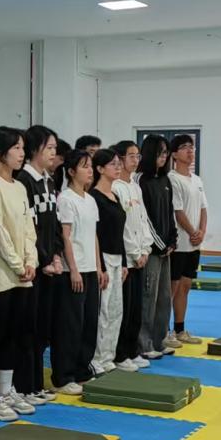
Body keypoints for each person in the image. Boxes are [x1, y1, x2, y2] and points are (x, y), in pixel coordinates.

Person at [0, 127, 40, 420]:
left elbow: (28, 228)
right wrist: (17, 264)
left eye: (23, 148)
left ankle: (6, 390)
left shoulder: (20, 187)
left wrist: (31, 261)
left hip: (21, 274)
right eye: (16, 148)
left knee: (13, 334)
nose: (21, 154)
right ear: (1, 153)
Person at [15, 125, 63, 401]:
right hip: (31, 266)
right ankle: (24, 387)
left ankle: (36, 384)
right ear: (35, 149)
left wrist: (55, 254)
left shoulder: (49, 180)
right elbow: (27, 227)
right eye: (50, 148)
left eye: (55, 148)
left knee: (43, 328)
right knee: (27, 329)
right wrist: (42, 259)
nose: (54, 153)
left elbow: (53, 223)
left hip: (48, 265)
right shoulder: (24, 180)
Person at [51, 150, 101, 394]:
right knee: (70, 325)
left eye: (91, 166)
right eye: (84, 166)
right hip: (73, 270)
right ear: (71, 171)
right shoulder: (66, 199)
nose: (90, 170)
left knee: (89, 322)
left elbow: (94, 236)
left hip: (90, 269)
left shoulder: (90, 200)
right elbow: (66, 237)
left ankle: (82, 370)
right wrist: (73, 270)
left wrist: (99, 267)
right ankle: (63, 376)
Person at [112, 140, 153, 369]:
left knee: (137, 308)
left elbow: (143, 220)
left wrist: (145, 248)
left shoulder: (136, 187)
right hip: (127, 258)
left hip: (140, 256)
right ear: (120, 158)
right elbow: (123, 227)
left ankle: (132, 349)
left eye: (138, 156)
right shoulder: (116, 187)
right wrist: (134, 253)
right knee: (125, 309)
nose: (135, 160)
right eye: (131, 156)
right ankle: (120, 354)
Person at [89, 148, 129, 374]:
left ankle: (108, 356)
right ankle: (96, 358)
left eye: (118, 163)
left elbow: (119, 232)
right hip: (102, 257)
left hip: (117, 257)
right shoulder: (94, 197)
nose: (118, 167)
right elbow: (95, 235)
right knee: (102, 311)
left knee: (116, 310)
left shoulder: (116, 196)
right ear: (100, 168)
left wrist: (123, 262)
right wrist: (100, 267)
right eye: (113, 164)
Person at [137, 135, 176, 358]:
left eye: (166, 153)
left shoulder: (165, 180)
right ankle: (144, 344)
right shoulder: (141, 181)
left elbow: (169, 213)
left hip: (165, 249)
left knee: (164, 296)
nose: (163, 157)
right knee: (148, 297)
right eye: (160, 153)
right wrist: (160, 244)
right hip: (151, 249)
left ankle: (160, 340)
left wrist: (172, 240)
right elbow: (144, 218)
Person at [168, 134, 207, 346]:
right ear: (174, 154)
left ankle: (180, 329)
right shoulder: (172, 179)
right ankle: (163, 332)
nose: (190, 151)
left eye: (192, 147)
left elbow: (203, 209)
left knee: (185, 286)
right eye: (184, 147)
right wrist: (192, 232)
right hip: (180, 243)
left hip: (194, 245)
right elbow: (178, 211)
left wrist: (201, 232)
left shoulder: (197, 180)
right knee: (172, 288)